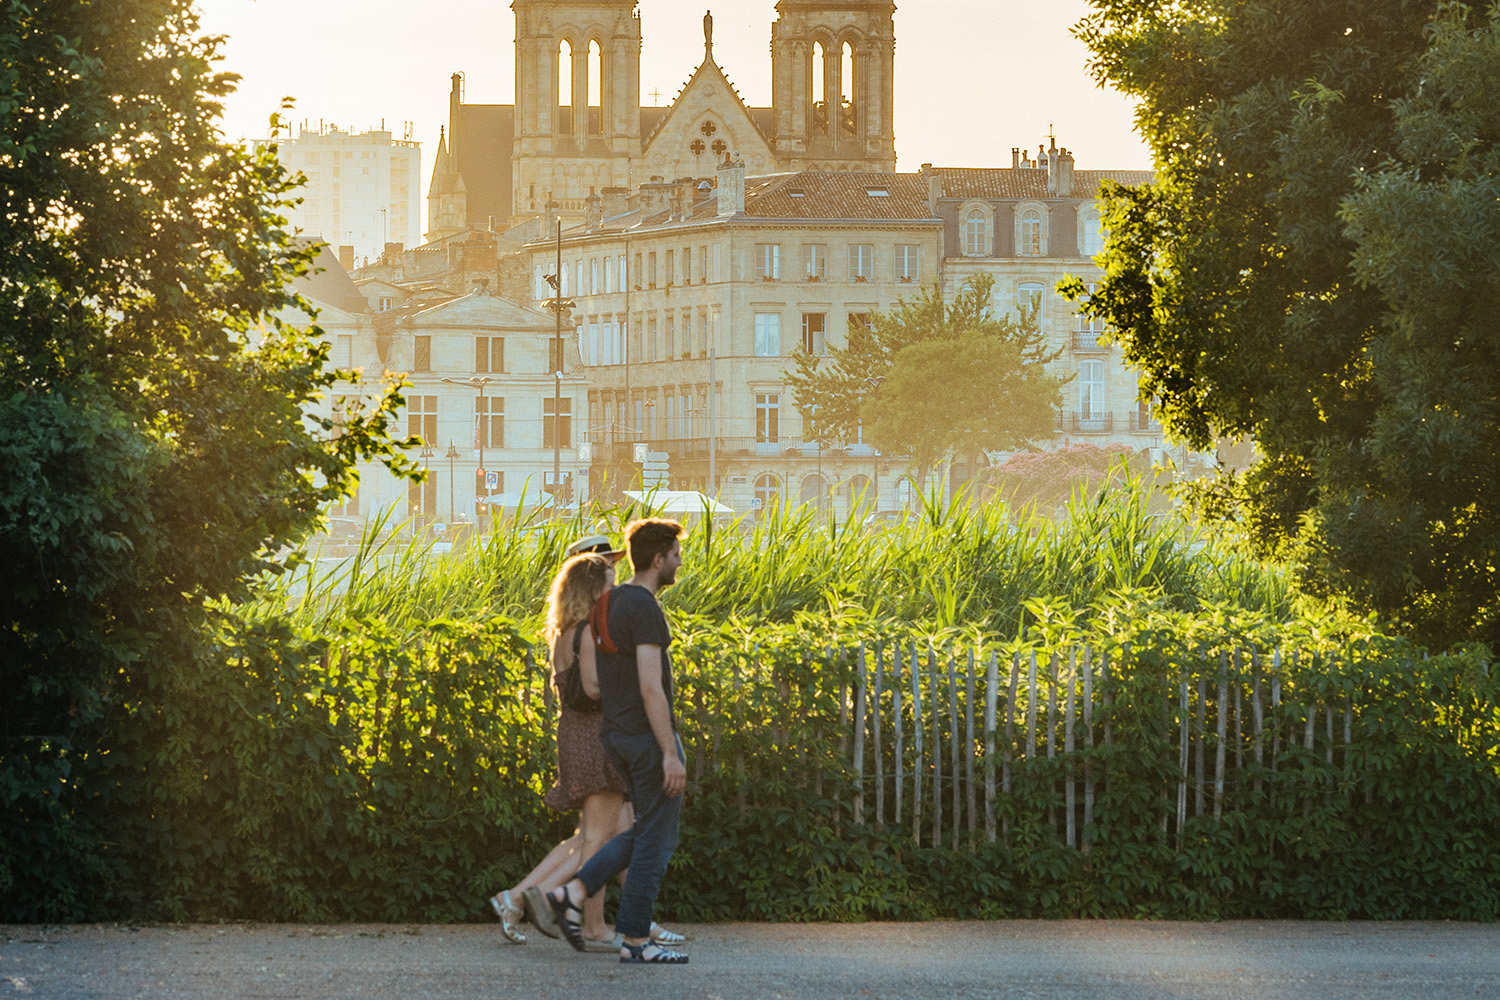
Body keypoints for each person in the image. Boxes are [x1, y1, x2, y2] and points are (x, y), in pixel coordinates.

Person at [548, 518, 691, 965]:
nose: (679, 562)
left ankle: (571, 892)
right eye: (675, 555)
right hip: (647, 739)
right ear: (657, 559)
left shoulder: (606, 604)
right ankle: (634, 941)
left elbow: (599, 681)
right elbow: (651, 686)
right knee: (656, 840)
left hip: (616, 736)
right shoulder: (646, 609)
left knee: (641, 830)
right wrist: (670, 751)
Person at [489, 551, 627, 951]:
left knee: (591, 836)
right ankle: (529, 901)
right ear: (592, 589)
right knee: (597, 841)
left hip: (575, 734)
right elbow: (596, 689)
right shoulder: (587, 632)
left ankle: (518, 899)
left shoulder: (565, 632)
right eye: (610, 583)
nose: (614, 590)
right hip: (596, 736)